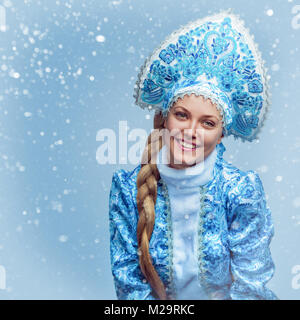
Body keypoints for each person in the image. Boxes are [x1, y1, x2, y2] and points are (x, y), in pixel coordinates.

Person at [108, 9, 278, 300]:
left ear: (222, 132)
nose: (191, 131)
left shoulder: (239, 190)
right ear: (164, 118)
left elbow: (252, 284)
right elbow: (130, 286)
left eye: (208, 123)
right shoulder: (127, 189)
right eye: (182, 115)